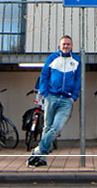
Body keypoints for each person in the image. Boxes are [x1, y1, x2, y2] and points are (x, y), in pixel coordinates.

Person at [28, 35, 80, 168]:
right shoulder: (52, 58)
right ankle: (42, 159)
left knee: (56, 128)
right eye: (64, 44)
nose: (66, 46)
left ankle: (38, 150)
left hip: (66, 100)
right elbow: (44, 75)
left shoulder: (76, 61)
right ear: (59, 45)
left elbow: (78, 80)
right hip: (51, 97)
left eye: (68, 44)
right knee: (47, 127)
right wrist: (45, 93)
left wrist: (74, 96)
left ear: (72, 46)